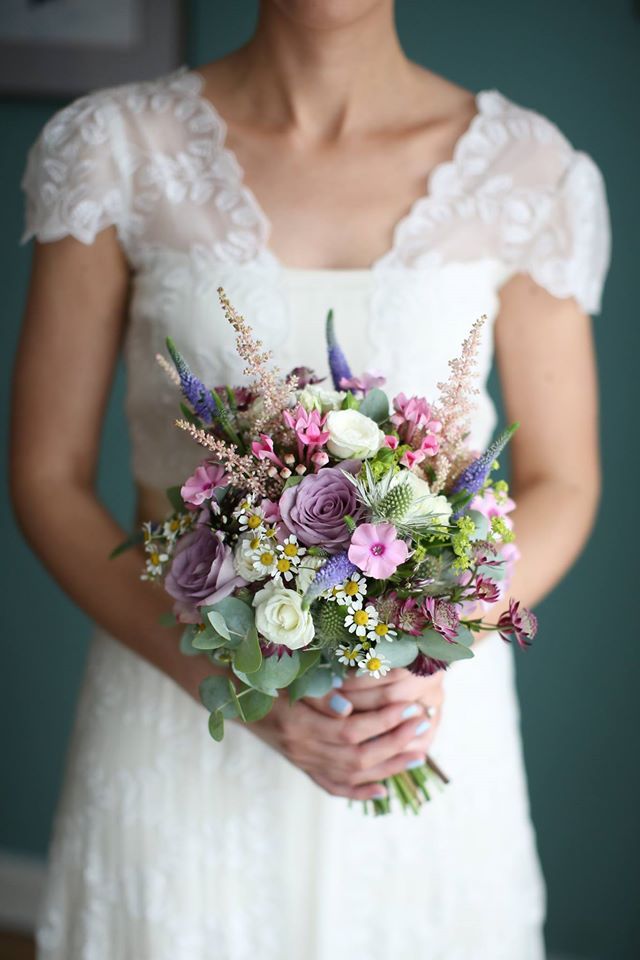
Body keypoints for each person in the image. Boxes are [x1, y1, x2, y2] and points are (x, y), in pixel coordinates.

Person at [10, 1, 609, 957]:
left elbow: (566, 479)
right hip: (177, 717)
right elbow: (45, 473)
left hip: (416, 719)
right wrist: (226, 675)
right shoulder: (113, 147)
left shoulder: (529, 172)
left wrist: (435, 640)